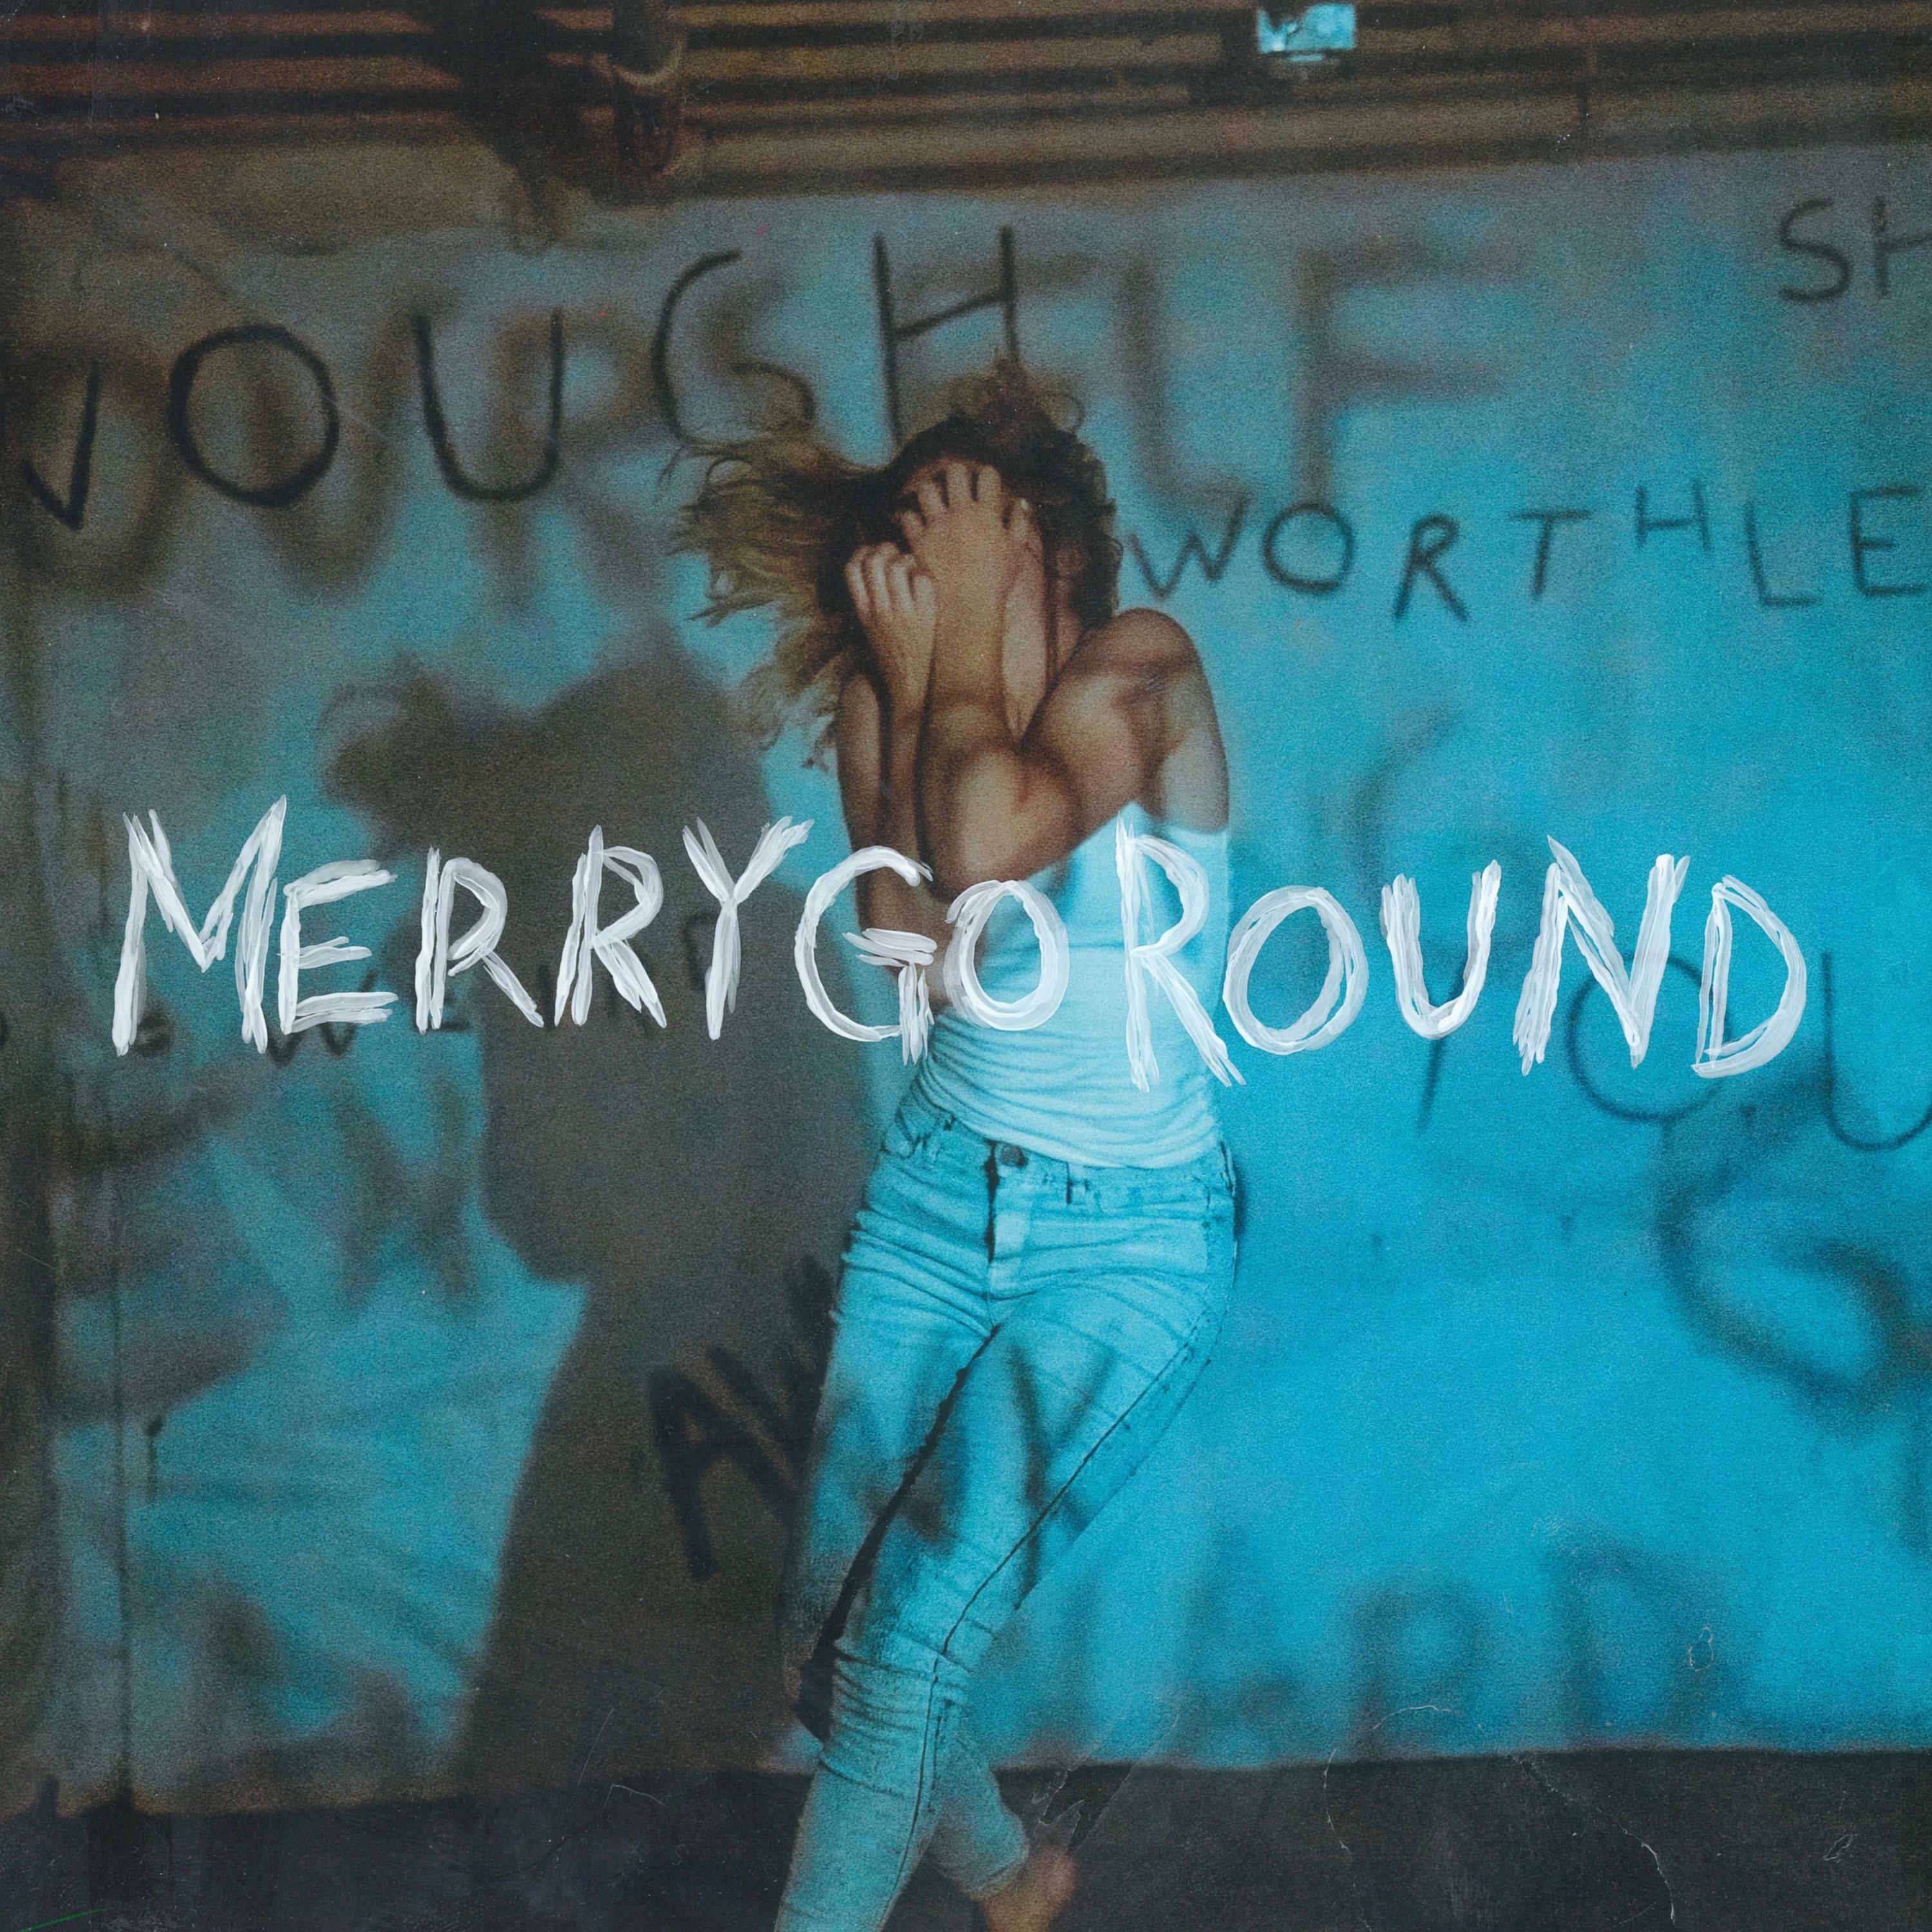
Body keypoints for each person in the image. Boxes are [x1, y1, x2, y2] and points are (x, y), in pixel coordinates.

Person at [680, 361, 1237, 1932]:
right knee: (829, 1652)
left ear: (1050, 561)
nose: (933, 600)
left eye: (968, 565)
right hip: (937, 1204)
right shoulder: (904, 702)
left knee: (907, 1645)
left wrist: (952, 663)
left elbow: (993, 839)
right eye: (915, 572)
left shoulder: (1144, 669)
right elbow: (921, 948)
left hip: (1126, 1244)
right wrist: (920, 680)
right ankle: (1013, 1882)